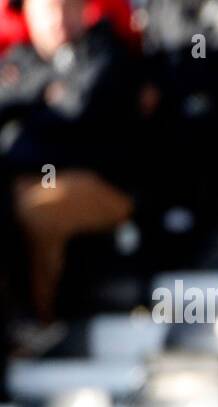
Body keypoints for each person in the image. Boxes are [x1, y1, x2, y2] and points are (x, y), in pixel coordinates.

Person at [0, 0, 142, 354]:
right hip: (25, 179)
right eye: (47, 10)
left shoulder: (103, 53)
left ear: (83, 10)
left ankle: (39, 323)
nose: (58, 19)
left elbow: (77, 120)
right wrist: (39, 100)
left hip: (101, 183)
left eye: (66, 7)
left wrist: (23, 114)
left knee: (36, 210)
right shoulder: (19, 60)